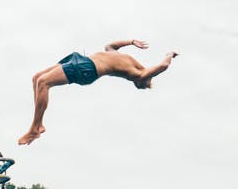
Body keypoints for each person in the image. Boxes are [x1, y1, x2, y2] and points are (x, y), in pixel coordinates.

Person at [18, 39, 179, 145]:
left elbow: (164, 66)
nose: (137, 84)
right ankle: (37, 125)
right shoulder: (124, 58)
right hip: (81, 60)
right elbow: (110, 46)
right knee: (37, 78)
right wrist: (131, 42)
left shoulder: (139, 74)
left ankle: (35, 128)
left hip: (88, 69)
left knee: (44, 82)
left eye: (138, 85)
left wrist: (169, 54)